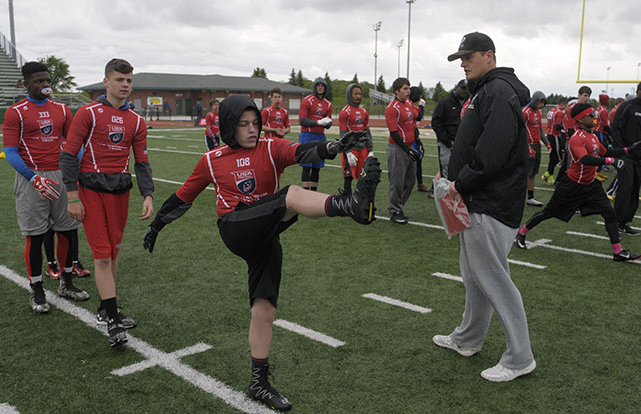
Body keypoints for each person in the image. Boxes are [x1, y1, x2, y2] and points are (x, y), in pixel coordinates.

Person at [142, 95, 380, 411]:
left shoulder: (270, 147)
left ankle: (258, 382)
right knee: (292, 195)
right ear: (229, 126)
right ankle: (349, 205)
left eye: (255, 123)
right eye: (243, 124)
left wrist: (334, 147)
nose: (252, 130)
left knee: (264, 309)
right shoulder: (212, 159)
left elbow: (302, 151)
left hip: (266, 234)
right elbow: (183, 196)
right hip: (235, 227)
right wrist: (156, 225)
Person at [432, 31, 535, 382]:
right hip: (476, 198)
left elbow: (492, 152)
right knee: (474, 276)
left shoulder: (497, 91)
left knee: (494, 280)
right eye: (461, 58)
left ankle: (520, 357)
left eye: (468, 56)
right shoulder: (488, 90)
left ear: (489, 56)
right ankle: (467, 338)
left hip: (488, 201)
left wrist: (461, 182)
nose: (463, 63)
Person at [60, 58, 155, 348]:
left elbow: (142, 161)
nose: (124, 85)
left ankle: (106, 307)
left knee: (112, 254)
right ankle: (113, 321)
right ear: (106, 82)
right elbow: (68, 156)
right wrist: (72, 196)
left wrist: (148, 194)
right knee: (101, 256)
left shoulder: (136, 120)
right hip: (91, 190)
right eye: (119, 80)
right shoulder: (88, 113)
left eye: (128, 80)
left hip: (121, 191)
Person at [3, 61, 90, 314]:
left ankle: (66, 283)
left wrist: (76, 168)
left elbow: (75, 144)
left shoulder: (63, 110)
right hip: (32, 177)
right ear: (26, 83)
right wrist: (33, 178)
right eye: (39, 81)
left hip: (61, 174)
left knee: (67, 230)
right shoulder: (15, 112)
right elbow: (10, 152)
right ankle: (37, 290)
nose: (45, 85)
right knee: (36, 235)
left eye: (48, 81)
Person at [515, 103, 641, 262]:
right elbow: (586, 160)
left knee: (609, 214)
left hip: (591, 185)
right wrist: (612, 161)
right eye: (591, 115)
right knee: (548, 213)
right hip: (572, 186)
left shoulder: (593, 136)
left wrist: (627, 150)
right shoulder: (576, 138)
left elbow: (605, 151)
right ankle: (521, 234)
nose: (595, 117)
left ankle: (618, 253)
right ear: (581, 119)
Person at [610, 80, 641, 235]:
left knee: (634, 191)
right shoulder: (627, 106)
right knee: (625, 189)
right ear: (638, 91)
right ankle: (616, 222)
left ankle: (624, 222)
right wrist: (621, 152)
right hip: (627, 156)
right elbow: (616, 129)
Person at [385, 77, 420, 224]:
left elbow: (413, 124)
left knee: (410, 180)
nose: (408, 91)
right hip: (398, 148)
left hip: (409, 147)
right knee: (397, 182)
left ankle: (399, 207)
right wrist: (407, 149)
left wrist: (418, 142)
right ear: (397, 91)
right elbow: (394, 133)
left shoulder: (409, 104)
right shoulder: (392, 108)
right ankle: (394, 211)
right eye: (405, 89)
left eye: (409, 88)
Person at [298, 77, 333, 190]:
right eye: (318, 85)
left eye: (322, 86)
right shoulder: (307, 100)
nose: (320, 87)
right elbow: (302, 121)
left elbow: (328, 124)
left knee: (317, 167)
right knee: (307, 166)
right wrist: (318, 122)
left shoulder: (328, 104)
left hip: (320, 136)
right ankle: (305, 193)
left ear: (325, 88)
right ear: (315, 87)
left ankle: (313, 193)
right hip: (307, 136)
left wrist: (327, 123)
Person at [338, 83, 373, 194]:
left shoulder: (364, 112)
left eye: (360, 94)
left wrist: (371, 150)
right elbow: (343, 134)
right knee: (348, 177)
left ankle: (360, 202)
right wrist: (348, 152)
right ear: (350, 95)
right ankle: (346, 203)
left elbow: (367, 131)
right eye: (355, 94)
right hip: (351, 149)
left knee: (364, 176)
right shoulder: (345, 112)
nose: (358, 96)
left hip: (363, 149)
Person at [432, 79, 468, 179]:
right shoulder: (445, 102)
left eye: (467, 89)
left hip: (462, 144)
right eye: (463, 88)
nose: (465, 91)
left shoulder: (469, 102)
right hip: (446, 144)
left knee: (461, 170)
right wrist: (446, 139)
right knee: (446, 170)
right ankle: (443, 193)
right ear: (457, 87)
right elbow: (436, 122)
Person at [523, 91, 547, 206]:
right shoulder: (525, 112)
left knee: (533, 172)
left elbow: (540, 130)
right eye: (540, 102)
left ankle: (530, 197)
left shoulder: (539, 112)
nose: (541, 105)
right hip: (529, 145)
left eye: (543, 103)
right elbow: (520, 130)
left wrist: (547, 143)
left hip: (537, 145)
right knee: (525, 172)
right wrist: (527, 146)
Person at [542, 97, 567, 185]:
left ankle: (548, 177)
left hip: (550, 134)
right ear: (562, 104)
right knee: (558, 158)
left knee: (553, 157)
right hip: (554, 135)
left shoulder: (552, 110)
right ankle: (547, 174)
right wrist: (566, 126)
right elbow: (557, 126)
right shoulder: (559, 112)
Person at [409, 86, 429, 192]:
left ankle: (420, 183)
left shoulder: (410, 105)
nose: (421, 96)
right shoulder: (408, 105)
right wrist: (421, 105)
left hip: (413, 136)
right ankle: (417, 183)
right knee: (413, 160)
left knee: (418, 158)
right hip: (408, 138)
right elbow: (419, 116)